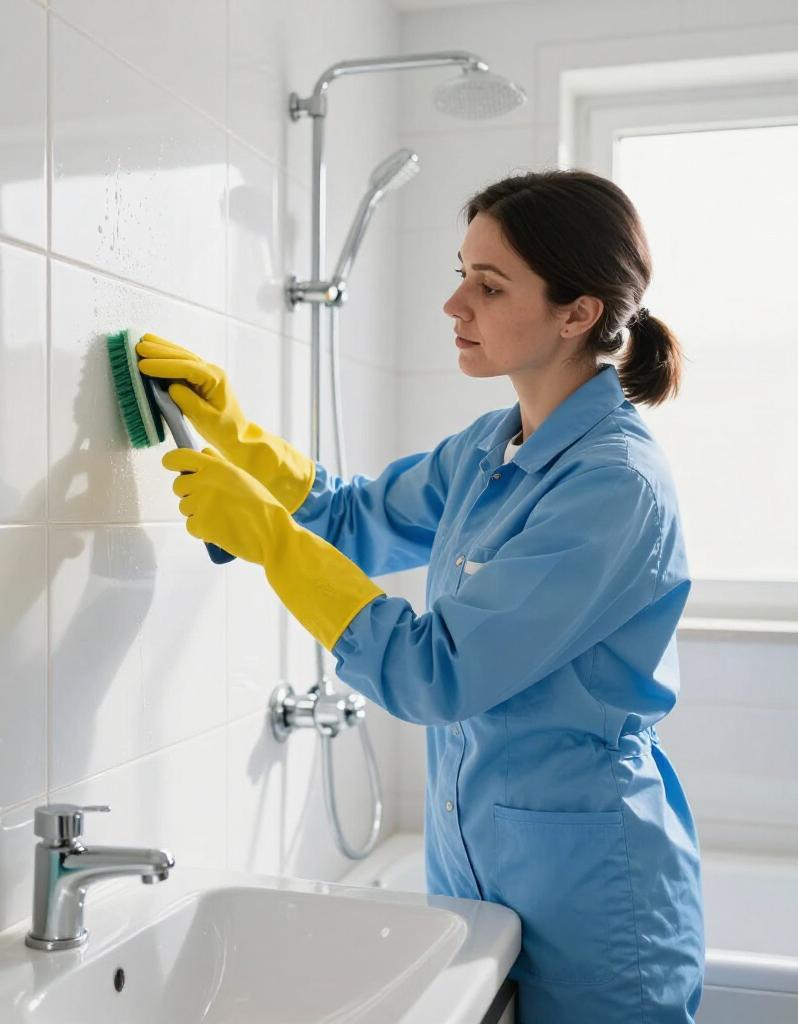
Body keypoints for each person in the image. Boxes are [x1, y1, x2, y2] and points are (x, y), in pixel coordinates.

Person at [136, 167, 705, 1023]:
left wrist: (267, 539)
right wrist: (234, 432)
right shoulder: (495, 445)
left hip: (593, 908)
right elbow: (351, 517)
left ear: (577, 311)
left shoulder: (613, 486)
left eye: (489, 284)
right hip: (476, 883)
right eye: (460, 274)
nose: (455, 306)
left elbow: (434, 676)